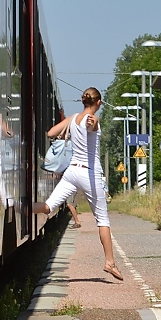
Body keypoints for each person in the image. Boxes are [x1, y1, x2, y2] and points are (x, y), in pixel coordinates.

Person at [33, 88, 123, 281]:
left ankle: (19, 207)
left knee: (48, 206)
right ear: (98, 103)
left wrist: (68, 129)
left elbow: (51, 133)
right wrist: (93, 123)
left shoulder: (73, 118)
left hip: (71, 172)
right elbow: (93, 124)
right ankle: (110, 262)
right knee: (103, 220)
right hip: (89, 173)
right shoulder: (93, 119)